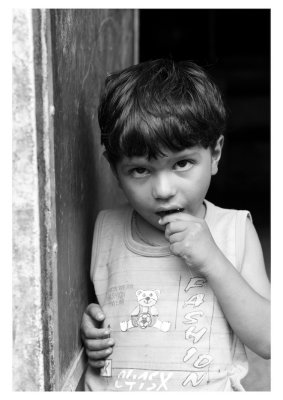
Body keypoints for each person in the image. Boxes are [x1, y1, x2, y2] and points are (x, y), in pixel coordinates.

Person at [81, 59, 270, 391]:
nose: (164, 191)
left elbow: (268, 341)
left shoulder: (234, 230)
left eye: (182, 163)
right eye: (140, 170)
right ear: (114, 169)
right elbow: (102, 308)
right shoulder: (106, 229)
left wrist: (214, 261)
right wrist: (90, 329)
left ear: (215, 154)